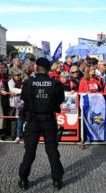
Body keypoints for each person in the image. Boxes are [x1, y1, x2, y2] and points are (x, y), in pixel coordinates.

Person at [18, 57, 65, 190]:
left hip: (33, 120)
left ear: (36, 67)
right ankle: (57, 180)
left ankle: (23, 179)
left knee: (30, 151)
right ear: (49, 69)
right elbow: (60, 99)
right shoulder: (55, 84)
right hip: (48, 120)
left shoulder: (28, 83)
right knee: (52, 150)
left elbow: (23, 99)